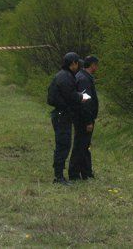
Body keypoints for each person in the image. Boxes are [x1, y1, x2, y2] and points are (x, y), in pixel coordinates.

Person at [47, 52, 88, 185]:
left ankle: (59, 175)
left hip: (62, 115)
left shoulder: (63, 75)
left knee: (63, 144)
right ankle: (58, 177)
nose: (78, 66)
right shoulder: (65, 77)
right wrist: (81, 97)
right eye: (77, 63)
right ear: (73, 63)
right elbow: (70, 96)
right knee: (63, 145)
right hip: (62, 116)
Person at [71, 55, 99, 180]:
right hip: (83, 118)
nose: (97, 68)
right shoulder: (84, 79)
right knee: (80, 145)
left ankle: (86, 173)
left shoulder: (83, 77)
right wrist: (88, 121)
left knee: (84, 145)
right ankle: (74, 174)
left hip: (82, 117)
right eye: (96, 65)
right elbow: (85, 101)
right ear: (92, 65)